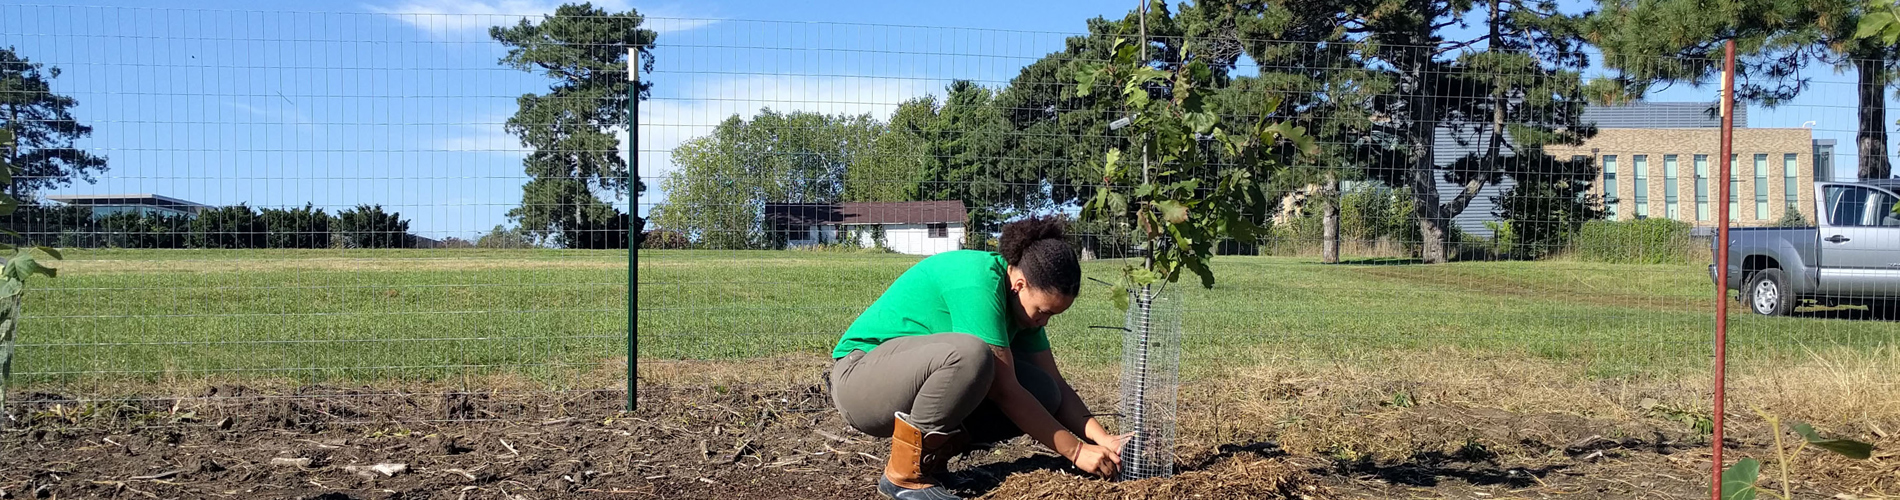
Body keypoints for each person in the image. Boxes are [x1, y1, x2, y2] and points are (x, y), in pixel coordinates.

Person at [827, 216, 1126, 500]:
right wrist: (1075, 451)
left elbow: (1058, 388)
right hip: (858, 381)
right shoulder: (978, 282)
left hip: (905, 381)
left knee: (1043, 390)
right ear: (1019, 284)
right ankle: (903, 476)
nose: (1044, 322)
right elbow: (1005, 391)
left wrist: (1104, 440)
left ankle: (932, 465)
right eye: (1044, 311)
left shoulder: (1021, 309)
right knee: (971, 357)